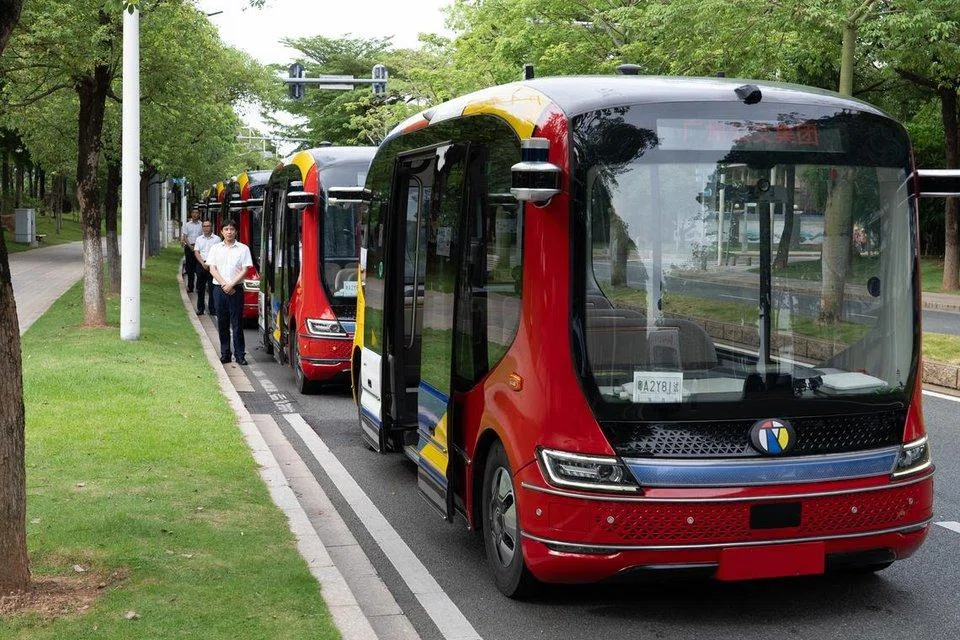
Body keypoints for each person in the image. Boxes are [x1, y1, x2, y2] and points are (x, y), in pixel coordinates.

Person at [207, 219, 253, 365]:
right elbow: (212, 268)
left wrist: (232, 284)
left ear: (236, 231)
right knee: (222, 322)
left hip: (236, 290)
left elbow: (245, 269)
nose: (229, 232)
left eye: (231, 229)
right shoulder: (215, 248)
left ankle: (240, 355)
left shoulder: (243, 249)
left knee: (237, 323)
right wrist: (224, 284)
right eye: (226, 229)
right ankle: (225, 353)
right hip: (219, 289)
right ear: (221, 232)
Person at [193, 220, 220, 316]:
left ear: (211, 227)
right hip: (201, 265)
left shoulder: (217, 239)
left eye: (208, 226)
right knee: (200, 288)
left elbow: (218, 253)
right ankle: (200, 309)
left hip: (212, 266)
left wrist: (210, 264)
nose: (206, 228)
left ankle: (213, 309)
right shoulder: (199, 239)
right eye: (204, 226)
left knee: (213, 288)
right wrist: (202, 263)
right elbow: (196, 252)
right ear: (202, 227)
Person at [180, 208, 203, 293]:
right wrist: (190, 247)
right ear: (191, 214)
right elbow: (185, 236)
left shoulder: (202, 225)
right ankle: (190, 286)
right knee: (190, 268)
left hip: (199, 249)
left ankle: (198, 287)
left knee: (199, 268)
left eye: (197, 213)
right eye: (193, 212)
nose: (195, 214)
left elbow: (202, 237)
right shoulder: (187, 225)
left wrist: (197, 248)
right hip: (189, 248)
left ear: (199, 214)